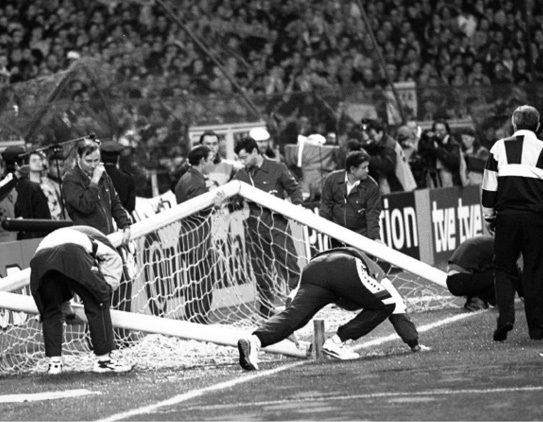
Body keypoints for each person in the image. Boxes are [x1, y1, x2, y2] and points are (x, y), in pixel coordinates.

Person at [237, 247, 429, 371]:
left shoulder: (330, 263)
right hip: (345, 265)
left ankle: (254, 341)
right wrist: (414, 342)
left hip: (314, 267)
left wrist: (289, 327)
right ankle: (337, 342)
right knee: (387, 303)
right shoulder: (376, 271)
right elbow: (397, 307)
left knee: (298, 315)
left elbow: (292, 301)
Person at [29, 225, 133, 374]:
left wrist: (48, 308)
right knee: (99, 299)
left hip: (39, 262)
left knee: (51, 310)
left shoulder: (57, 236)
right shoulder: (97, 239)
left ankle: (54, 364)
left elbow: (57, 274)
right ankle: (104, 361)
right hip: (70, 253)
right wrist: (106, 289)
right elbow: (113, 258)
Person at [482, 104, 543, 342]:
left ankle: (505, 318)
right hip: (536, 217)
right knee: (535, 269)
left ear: (514, 124)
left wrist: (489, 216)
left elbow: (489, 185)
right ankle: (537, 327)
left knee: (504, 268)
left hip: (506, 216)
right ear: (537, 126)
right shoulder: (542, 148)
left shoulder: (499, 147)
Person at [233, 137, 303, 318]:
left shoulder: (277, 168)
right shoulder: (241, 176)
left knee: (289, 263)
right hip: (254, 226)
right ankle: (265, 309)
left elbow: (294, 189)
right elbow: (235, 203)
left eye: (244, 157)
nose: (242, 162)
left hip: (277, 223)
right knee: (260, 270)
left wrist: (297, 206)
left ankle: (301, 302)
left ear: (255, 152)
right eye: (239, 158)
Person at [175, 145, 222, 323]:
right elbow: (198, 211)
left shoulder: (184, 179)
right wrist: (215, 205)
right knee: (202, 282)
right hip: (197, 239)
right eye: (210, 159)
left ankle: (195, 319)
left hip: (188, 237)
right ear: (202, 160)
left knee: (196, 281)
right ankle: (198, 320)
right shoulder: (195, 182)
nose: (212, 163)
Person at [62, 138, 131, 244]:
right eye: (88, 161)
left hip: (108, 238)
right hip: (86, 242)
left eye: (97, 160)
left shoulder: (103, 174)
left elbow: (115, 202)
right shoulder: (70, 179)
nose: (93, 165)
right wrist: (94, 182)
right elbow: (84, 207)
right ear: (79, 158)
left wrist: (125, 225)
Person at [319, 150, 381, 245]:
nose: (367, 170)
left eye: (367, 167)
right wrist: (323, 224)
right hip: (336, 237)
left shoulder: (372, 187)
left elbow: (372, 214)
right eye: (364, 168)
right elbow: (326, 204)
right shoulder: (332, 179)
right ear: (352, 169)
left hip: (361, 238)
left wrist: (375, 238)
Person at [1, 145, 51, 240]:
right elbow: (45, 223)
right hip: (30, 244)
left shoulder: (2, 189)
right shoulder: (34, 188)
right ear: (24, 163)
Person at [361, 119, 416, 194]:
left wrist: (368, 158)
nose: (372, 139)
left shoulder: (388, 146)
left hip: (401, 185)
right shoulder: (384, 143)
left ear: (380, 133)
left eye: (373, 136)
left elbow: (386, 165)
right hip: (400, 185)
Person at [446, 235, 500, 312]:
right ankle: (477, 301)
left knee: (495, 274)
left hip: (453, 280)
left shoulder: (484, 241)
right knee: (501, 276)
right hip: (461, 279)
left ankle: (476, 300)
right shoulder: (495, 245)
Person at [417, 120, 463, 188]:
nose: (439, 133)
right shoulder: (431, 143)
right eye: (436, 130)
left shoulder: (452, 144)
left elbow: (454, 162)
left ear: (447, 131)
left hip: (451, 183)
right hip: (435, 182)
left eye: (442, 130)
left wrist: (437, 149)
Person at [100, 141, 136, 215]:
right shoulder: (128, 178)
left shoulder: (93, 177)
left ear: (101, 158)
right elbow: (131, 206)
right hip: (122, 220)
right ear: (118, 158)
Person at [40, 150, 68, 220]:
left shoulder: (66, 183)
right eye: (55, 166)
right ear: (48, 167)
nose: (59, 169)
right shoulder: (43, 183)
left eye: (62, 165)